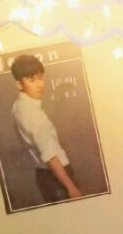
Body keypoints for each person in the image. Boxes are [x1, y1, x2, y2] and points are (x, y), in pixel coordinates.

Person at [10, 54, 82, 203]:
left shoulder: (18, 106)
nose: (40, 84)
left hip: (43, 176)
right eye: (32, 80)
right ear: (19, 84)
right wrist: (71, 188)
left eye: (40, 78)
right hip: (58, 177)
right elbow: (50, 156)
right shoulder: (35, 115)